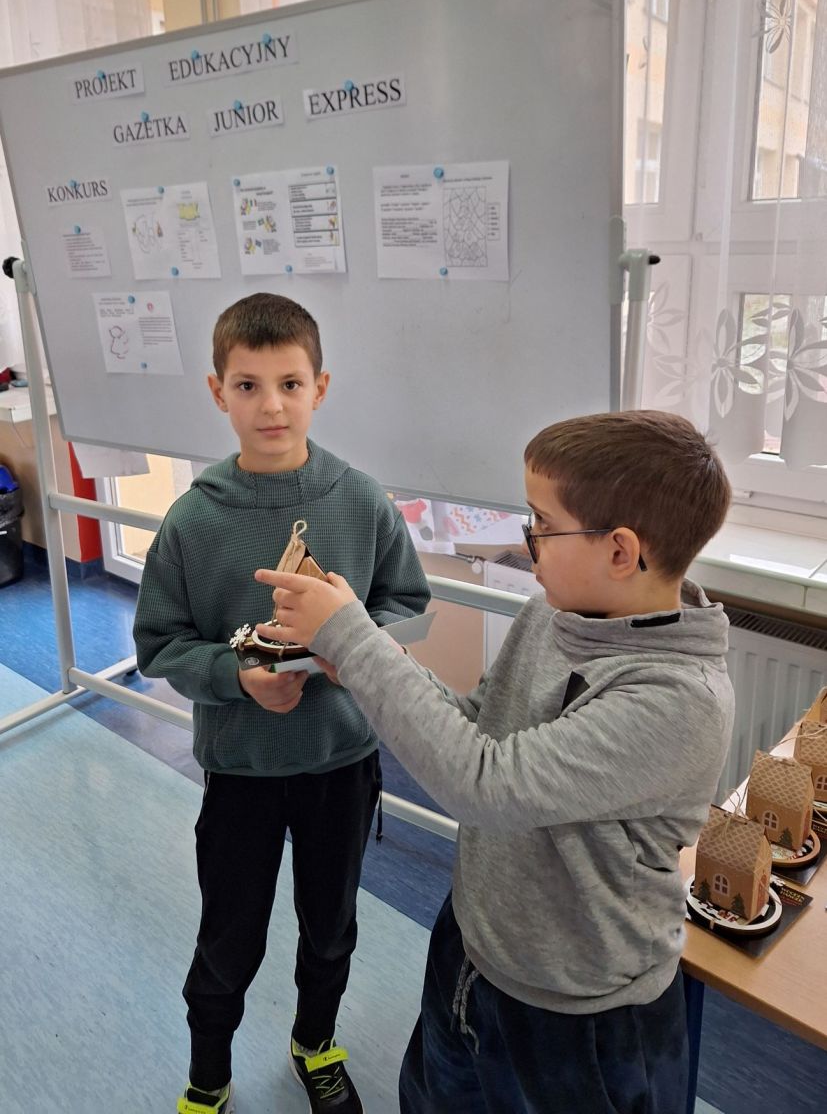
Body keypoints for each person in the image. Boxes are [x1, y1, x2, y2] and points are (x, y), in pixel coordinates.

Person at [254, 409, 735, 1114]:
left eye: (542, 523)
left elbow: (484, 784)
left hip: (578, 1012)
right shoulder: (555, 615)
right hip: (475, 946)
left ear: (620, 551)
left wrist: (354, 641)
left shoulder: (677, 700)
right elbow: (476, 723)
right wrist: (361, 657)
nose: (526, 539)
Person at [133, 292, 430, 1114]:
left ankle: (315, 1044)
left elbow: (409, 607)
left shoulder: (362, 501)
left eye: (290, 384)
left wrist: (352, 646)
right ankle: (208, 1075)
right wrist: (239, 678)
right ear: (217, 392)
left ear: (319, 388)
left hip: (340, 762)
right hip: (241, 769)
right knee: (228, 938)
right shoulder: (192, 520)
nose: (271, 405)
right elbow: (160, 644)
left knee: (330, 928)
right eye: (248, 385)